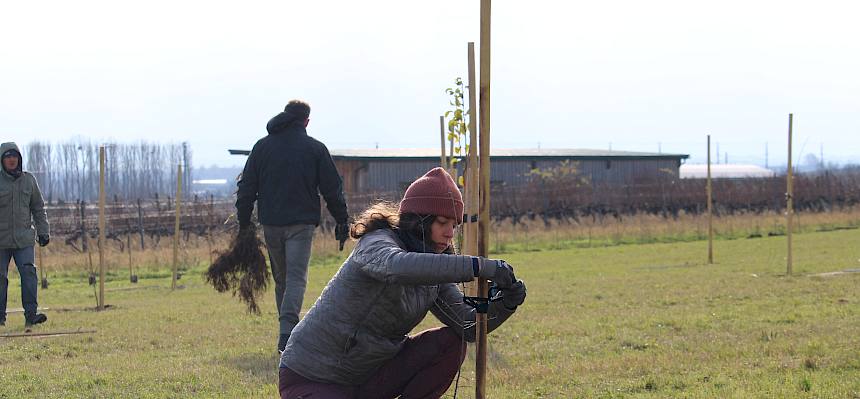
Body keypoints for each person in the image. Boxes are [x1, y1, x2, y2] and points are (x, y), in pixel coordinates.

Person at [278, 167, 528, 399]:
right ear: (419, 220)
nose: (450, 233)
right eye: (442, 223)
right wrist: (479, 267)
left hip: (369, 377)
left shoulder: (436, 266)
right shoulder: (377, 242)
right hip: (312, 377)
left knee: (450, 341)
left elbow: (467, 326)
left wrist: (506, 303)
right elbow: (396, 266)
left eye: (454, 225)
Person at [236, 100, 350, 353]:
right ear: (307, 121)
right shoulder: (315, 149)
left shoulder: (262, 147)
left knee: (282, 280)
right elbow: (333, 189)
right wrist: (342, 219)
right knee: (296, 278)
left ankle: (286, 332)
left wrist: (244, 223)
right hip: (301, 224)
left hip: (271, 223)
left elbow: (246, 188)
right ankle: (287, 332)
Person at [0, 142, 50, 327]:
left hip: (24, 239)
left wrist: (44, 231)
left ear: (19, 159)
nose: (11, 159)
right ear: (2, 160)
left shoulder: (29, 180)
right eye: (7, 156)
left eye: (14, 156)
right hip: (1, 240)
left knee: (29, 274)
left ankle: (31, 315)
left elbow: (38, 207)